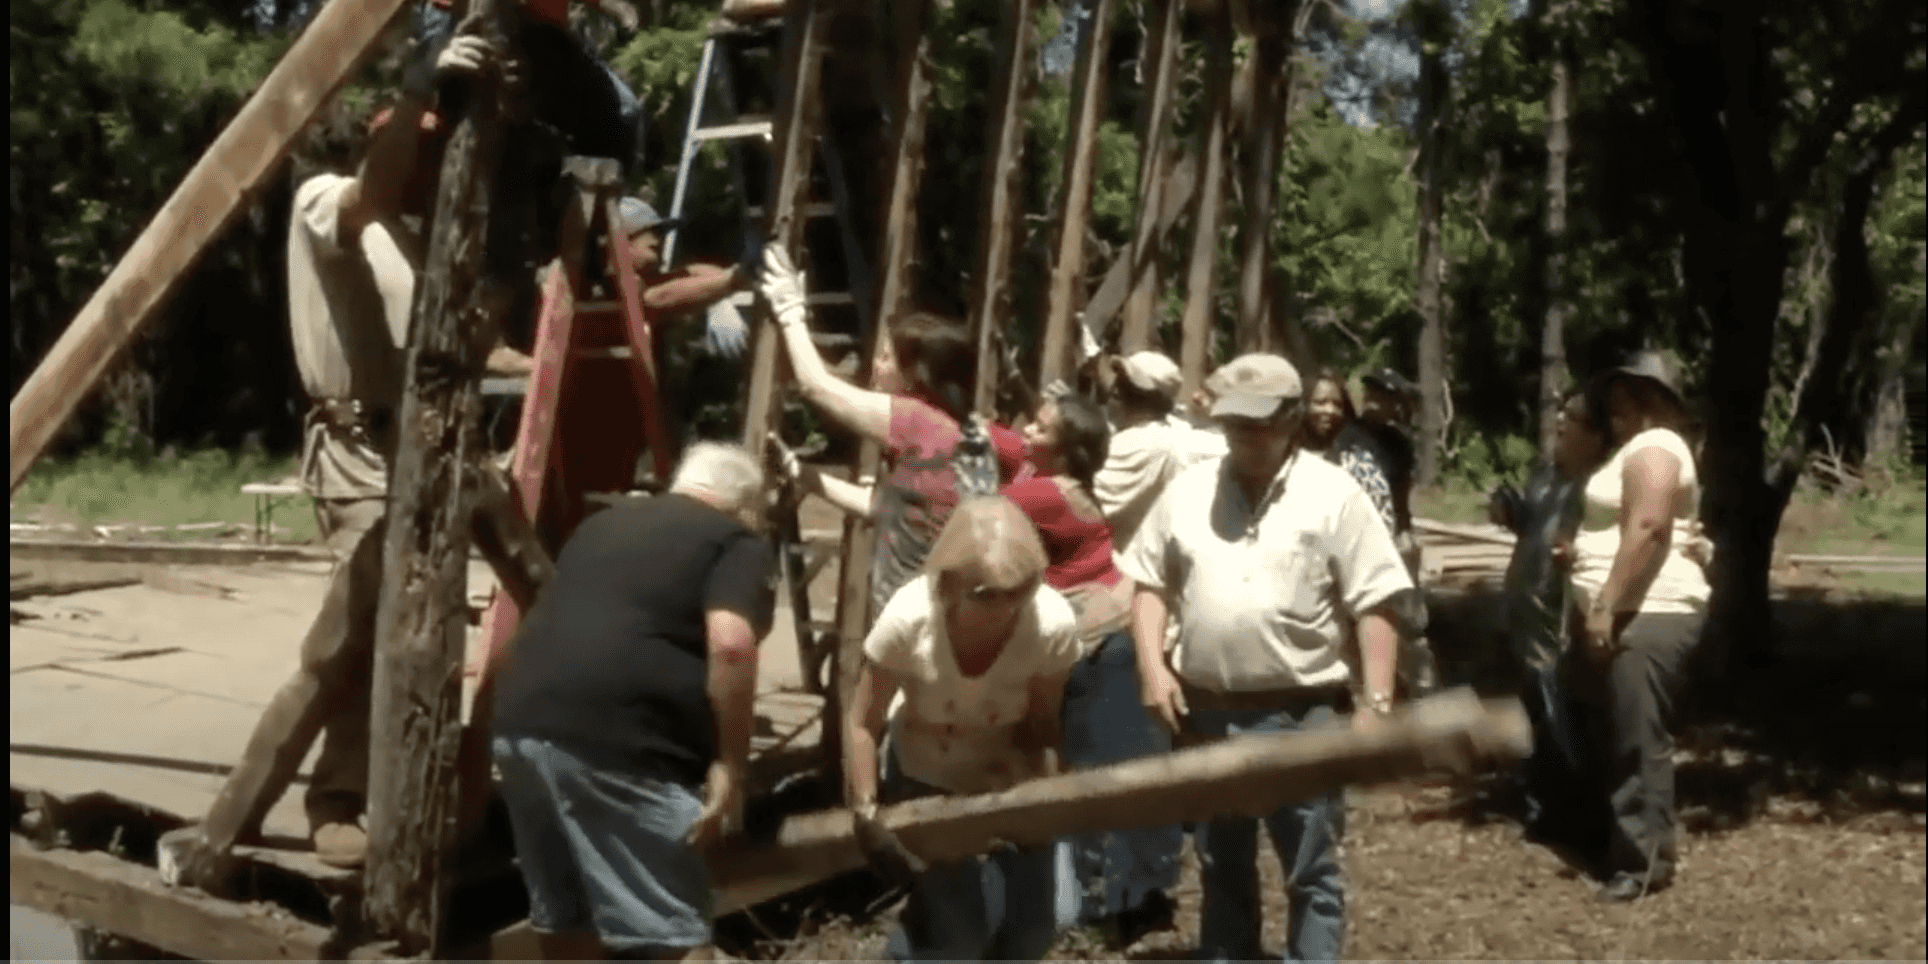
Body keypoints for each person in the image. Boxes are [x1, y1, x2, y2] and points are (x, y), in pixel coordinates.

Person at [275, 35, 520, 868]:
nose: (431, 163)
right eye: (423, 141)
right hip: (356, 451)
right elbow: (372, 190)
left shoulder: (415, 241)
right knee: (359, 630)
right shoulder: (329, 200)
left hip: (417, 449)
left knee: (423, 622)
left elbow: (461, 350)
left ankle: (406, 789)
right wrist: (424, 82)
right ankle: (336, 796)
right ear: (387, 128)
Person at [1118, 353, 1419, 964]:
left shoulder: (1334, 493)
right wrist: (1152, 667)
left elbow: (1376, 601)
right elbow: (1148, 584)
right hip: (1206, 712)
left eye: (1258, 424)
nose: (1245, 437)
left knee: (1310, 869)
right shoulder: (1189, 489)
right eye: (1234, 424)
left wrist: (1378, 704)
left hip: (1302, 712)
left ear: (1290, 420)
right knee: (1221, 865)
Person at [486, 443, 778, 961]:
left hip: (520, 729)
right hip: (622, 746)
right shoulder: (736, 541)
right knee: (674, 936)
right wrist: (730, 765)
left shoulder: (600, 525)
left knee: (567, 924)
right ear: (745, 506)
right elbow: (732, 645)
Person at [842, 496, 1083, 962]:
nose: (1005, 608)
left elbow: (1043, 722)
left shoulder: (1051, 624)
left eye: (1018, 592)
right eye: (985, 595)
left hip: (1003, 773)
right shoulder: (909, 620)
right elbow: (861, 722)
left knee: (1051, 916)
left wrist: (1043, 799)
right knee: (958, 931)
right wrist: (867, 808)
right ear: (948, 584)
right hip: (923, 775)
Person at [759, 244, 1025, 616]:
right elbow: (881, 507)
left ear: (917, 376)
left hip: (918, 623)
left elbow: (814, 385)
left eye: (885, 357)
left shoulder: (917, 422)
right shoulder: (963, 436)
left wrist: (789, 310)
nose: (875, 365)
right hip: (945, 617)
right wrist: (802, 474)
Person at [1004, 393, 1181, 945]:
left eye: (1040, 426)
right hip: (1111, 637)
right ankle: (1126, 903)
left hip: (1095, 649)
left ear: (1065, 448)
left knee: (1082, 778)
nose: (1026, 430)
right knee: (1117, 774)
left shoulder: (1035, 495)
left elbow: (978, 507)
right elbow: (1008, 443)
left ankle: (1084, 914)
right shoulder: (1067, 485)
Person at [1561, 351, 1708, 902]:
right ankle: (1616, 837)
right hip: (1627, 607)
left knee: (1636, 735)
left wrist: (1607, 604)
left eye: (1631, 394)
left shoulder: (1658, 446)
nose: (1619, 405)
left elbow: (1648, 525)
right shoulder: (1634, 450)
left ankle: (1644, 862)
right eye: (1614, 396)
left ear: (1657, 399)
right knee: (1611, 726)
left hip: (1649, 610)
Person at [1489, 393, 1609, 858]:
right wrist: (1511, 514)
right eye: (1560, 415)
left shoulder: (1600, 486)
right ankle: (1543, 811)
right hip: (1528, 619)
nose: (1560, 423)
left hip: (1565, 624)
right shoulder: (1547, 476)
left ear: (1596, 436)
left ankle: (1582, 821)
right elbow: (1534, 529)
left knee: (1568, 721)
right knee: (1535, 718)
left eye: (1573, 419)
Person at [1093, 351, 1226, 551]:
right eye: (1118, 382)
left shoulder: (1144, 444)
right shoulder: (1165, 433)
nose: (1115, 391)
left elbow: (1077, 506)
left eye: (1126, 387)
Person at [1303, 367, 1396, 535]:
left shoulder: (1362, 465)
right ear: (1302, 406)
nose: (1330, 410)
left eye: (1337, 404)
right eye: (1320, 402)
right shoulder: (1281, 463)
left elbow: (1383, 530)